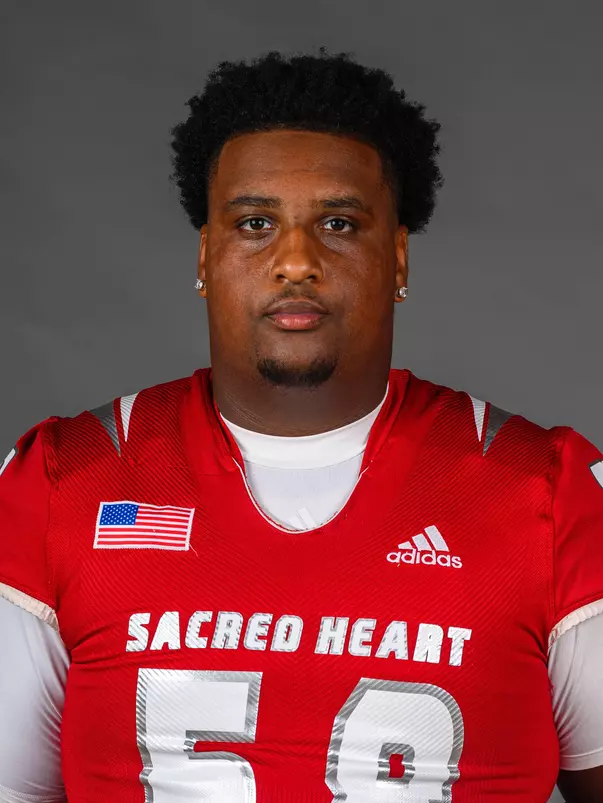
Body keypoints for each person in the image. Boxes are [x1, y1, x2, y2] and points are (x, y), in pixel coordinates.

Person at [0, 48, 602, 803]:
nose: (295, 261)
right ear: (205, 253)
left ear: (398, 258)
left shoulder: (550, 493)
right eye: (255, 222)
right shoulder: (61, 481)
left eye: (338, 223)